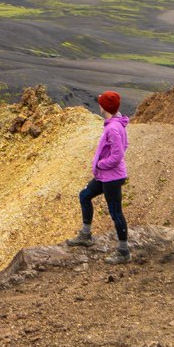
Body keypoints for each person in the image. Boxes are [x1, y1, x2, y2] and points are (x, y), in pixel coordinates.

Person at [68, 90, 130, 263]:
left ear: (104, 107)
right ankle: (86, 235)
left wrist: (101, 164)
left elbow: (118, 155)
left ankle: (124, 252)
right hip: (105, 176)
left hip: (112, 177)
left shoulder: (113, 128)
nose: (99, 105)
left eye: (100, 102)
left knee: (116, 212)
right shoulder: (116, 124)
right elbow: (125, 145)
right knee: (85, 195)